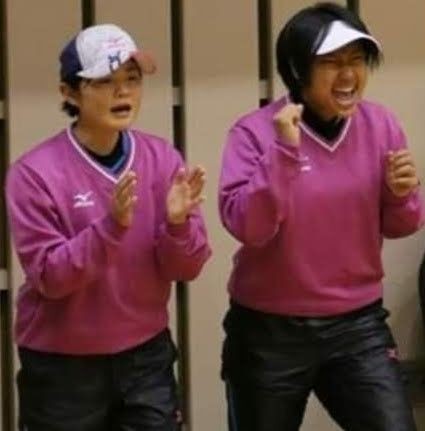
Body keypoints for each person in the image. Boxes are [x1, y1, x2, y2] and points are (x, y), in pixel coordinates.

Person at [219, 3, 423, 430]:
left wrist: (402, 194)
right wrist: (284, 153)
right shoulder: (254, 132)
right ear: (298, 70)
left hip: (357, 325)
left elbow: (402, 224)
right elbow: (249, 228)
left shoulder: (381, 124)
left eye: (357, 60)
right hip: (268, 331)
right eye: (331, 62)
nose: (348, 75)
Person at [6, 23, 211, 431]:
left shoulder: (162, 158)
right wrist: (112, 227)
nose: (123, 92)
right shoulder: (33, 173)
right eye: (104, 81)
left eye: (132, 79)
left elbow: (186, 268)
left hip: (146, 358)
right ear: (69, 93)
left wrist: (177, 225)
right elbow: (50, 277)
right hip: (62, 367)